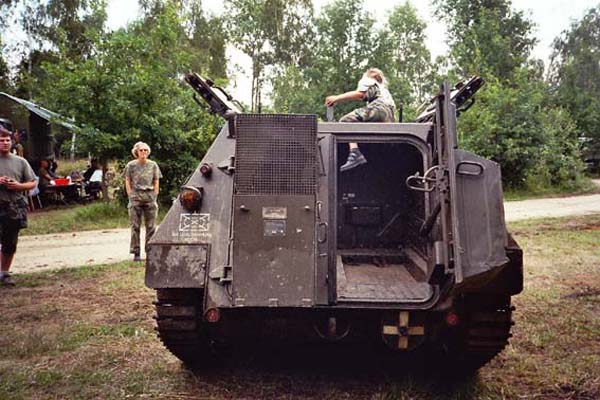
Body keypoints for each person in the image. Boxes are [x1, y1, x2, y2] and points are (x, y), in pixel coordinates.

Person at [325, 67, 396, 171]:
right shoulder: (384, 90)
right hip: (390, 115)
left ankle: (354, 152)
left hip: (379, 109)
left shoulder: (368, 81)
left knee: (345, 121)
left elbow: (360, 94)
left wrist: (336, 98)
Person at [0, 127, 36, 286]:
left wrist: (18, 186)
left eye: (7, 140)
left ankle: (4, 272)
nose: (5, 143)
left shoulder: (20, 162)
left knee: (10, 242)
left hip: (14, 207)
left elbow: (33, 182)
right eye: (1, 140)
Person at [124, 142, 162, 262]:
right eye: (141, 150)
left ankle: (150, 252)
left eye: (146, 150)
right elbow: (127, 180)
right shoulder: (131, 165)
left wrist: (155, 193)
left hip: (149, 197)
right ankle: (136, 252)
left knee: (151, 226)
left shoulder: (153, 165)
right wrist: (130, 194)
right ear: (137, 152)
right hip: (136, 197)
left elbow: (156, 179)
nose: (144, 152)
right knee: (135, 226)